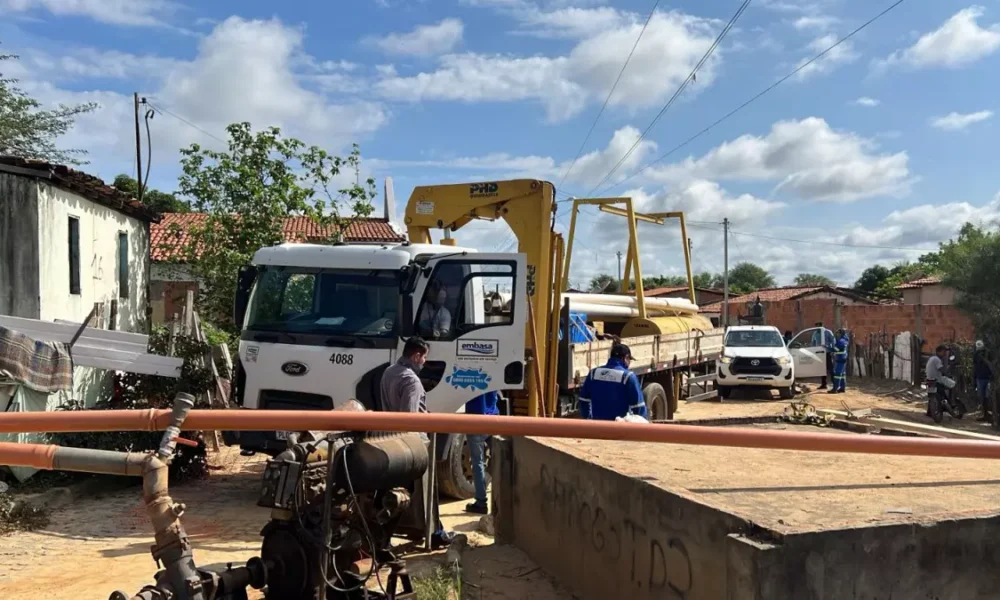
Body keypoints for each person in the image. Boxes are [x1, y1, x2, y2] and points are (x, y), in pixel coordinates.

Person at [380, 337, 454, 548]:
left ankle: (392, 536)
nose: (424, 363)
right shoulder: (411, 380)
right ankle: (434, 534)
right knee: (425, 494)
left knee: (397, 493)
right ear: (416, 355)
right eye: (424, 358)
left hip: (391, 440)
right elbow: (409, 418)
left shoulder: (388, 372)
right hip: (414, 444)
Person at [579, 343, 647, 420]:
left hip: (598, 427)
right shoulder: (628, 377)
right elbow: (639, 407)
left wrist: (588, 419)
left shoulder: (593, 374)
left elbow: (583, 400)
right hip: (619, 428)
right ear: (626, 358)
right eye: (629, 360)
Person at [464, 390, 500, 515]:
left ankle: (481, 503)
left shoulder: (471, 374)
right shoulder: (491, 373)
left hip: (476, 420)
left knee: (477, 462)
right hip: (493, 418)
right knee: (499, 461)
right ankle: (501, 501)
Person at [925, 344, 948, 422]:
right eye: (943, 351)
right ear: (939, 351)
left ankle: (929, 412)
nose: (945, 353)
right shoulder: (937, 359)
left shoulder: (932, 358)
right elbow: (941, 369)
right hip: (936, 380)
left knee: (931, 395)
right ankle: (941, 409)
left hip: (929, 379)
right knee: (942, 394)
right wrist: (947, 372)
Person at [973, 340, 993, 422]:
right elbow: (974, 367)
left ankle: (990, 415)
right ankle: (985, 415)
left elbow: (991, 366)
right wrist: (973, 378)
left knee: (988, 397)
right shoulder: (976, 354)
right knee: (982, 398)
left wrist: (984, 358)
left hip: (988, 378)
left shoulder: (989, 354)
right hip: (980, 378)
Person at [811, 322, 835, 389]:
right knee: (822, 369)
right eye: (816, 327)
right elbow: (813, 342)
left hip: (827, 352)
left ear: (822, 326)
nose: (817, 329)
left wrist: (832, 350)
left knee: (831, 368)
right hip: (819, 353)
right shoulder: (815, 333)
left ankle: (835, 384)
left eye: (818, 327)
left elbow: (833, 341)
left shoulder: (827, 332)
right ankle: (824, 384)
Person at [830, 328, 849, 394]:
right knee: (842, 374)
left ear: (841, 333)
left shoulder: (841, 341)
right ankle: (842, 388)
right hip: (843, 358)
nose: (837, 334)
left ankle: (835, 388)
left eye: (838, 333)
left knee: (837, 374)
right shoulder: (845, 339)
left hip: (840, 359)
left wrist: (829, 348)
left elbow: (836, 349)